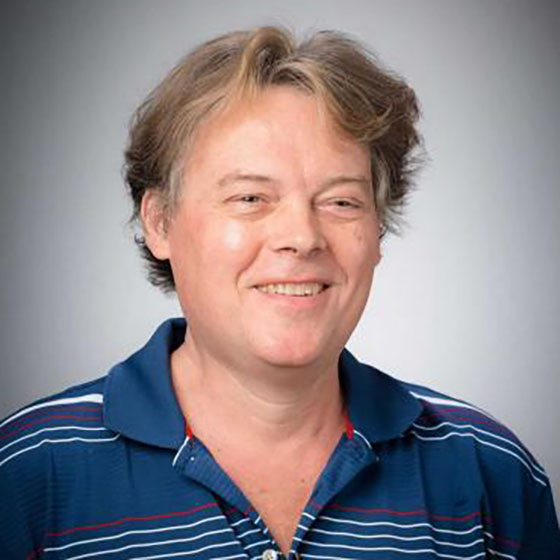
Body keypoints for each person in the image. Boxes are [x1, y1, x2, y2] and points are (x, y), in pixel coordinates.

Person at [1, 26, 558, 560]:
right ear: (160, 223)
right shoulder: (28, 472)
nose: (302, 237)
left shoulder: (491, 475)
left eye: (341, 202)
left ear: (377, 232)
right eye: (250, 198)